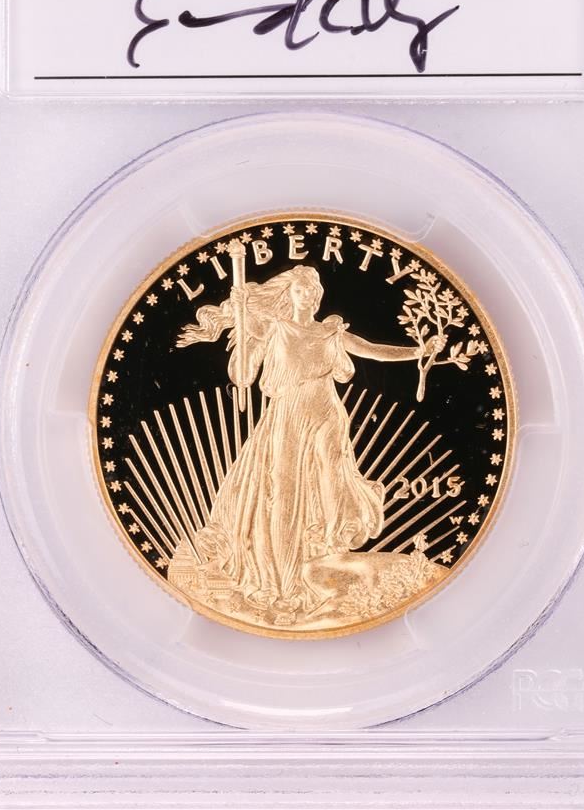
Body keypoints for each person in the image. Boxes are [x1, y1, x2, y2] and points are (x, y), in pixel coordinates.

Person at [177, 264, 433, 620]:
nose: (307, 295)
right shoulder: (273, 328)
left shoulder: (330, 332)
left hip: (326, 411)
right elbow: (242, 376)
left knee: (331, 471)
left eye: (312, 290)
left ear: (318, 296)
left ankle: (326, 539)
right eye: (300, 290)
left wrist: (419, 352)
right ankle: (284, 583)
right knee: (284, 495)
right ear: (289, 294)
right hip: (287, 415)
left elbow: (373, 350)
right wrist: (245, 331)